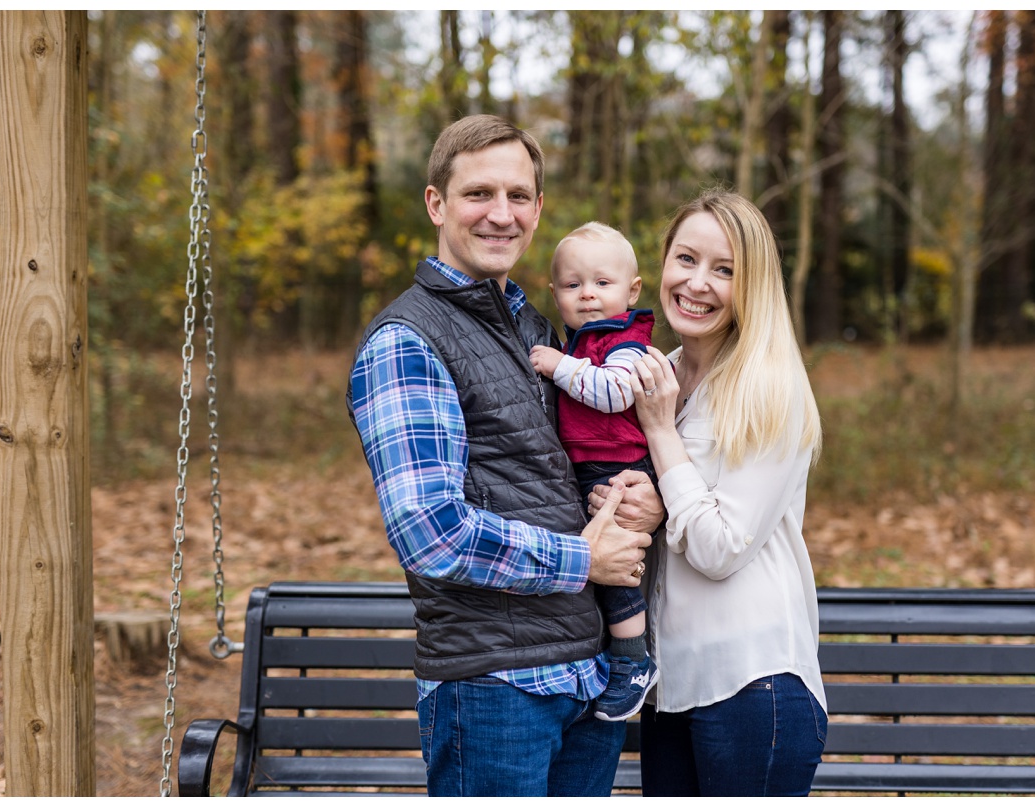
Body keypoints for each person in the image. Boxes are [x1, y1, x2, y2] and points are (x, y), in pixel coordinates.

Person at [345, 114, 656, 797]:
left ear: (539, 209)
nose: (501, 214)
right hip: (494, 686)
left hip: (586, 677)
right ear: (436, 203)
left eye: (518, 196)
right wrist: (586, 559)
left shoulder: (543, 330)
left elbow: (583, 460)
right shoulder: (408, 340)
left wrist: (642, 495)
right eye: (478, 194)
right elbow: (431, 531)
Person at [601, 188, 828, 796]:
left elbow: (720, 547)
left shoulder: (768, 389)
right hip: (670, 684)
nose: (697, 283)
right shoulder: (654, 375)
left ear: (752, 285)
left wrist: (658, 432)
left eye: (724, 270)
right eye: (686, 259)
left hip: (753, 684)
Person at [529, 222, 660, 722]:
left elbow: (615, 393)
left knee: (616, 569)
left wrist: (561, 367)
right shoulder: (585, 340)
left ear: (632, 290)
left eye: (602, 283)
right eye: (572, 284)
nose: (587, 294)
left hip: (619, 466)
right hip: (590, 467)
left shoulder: (624, 343)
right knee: (599, 567)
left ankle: (633, 661)